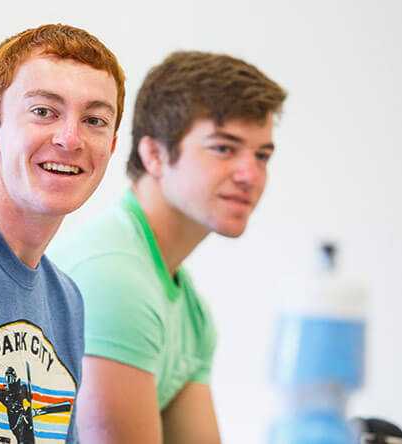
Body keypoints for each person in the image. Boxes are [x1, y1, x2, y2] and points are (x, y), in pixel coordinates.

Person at [49, 51, 287, 443]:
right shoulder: (116, 278)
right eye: (224, 148)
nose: (250, 175)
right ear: (155, 154)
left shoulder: (189, 310)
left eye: (262, 155)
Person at [0, 24, 125, 443]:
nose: (70, 139)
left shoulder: (66, 300)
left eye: (94, 120)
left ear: (112, 144)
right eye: (43, 111)